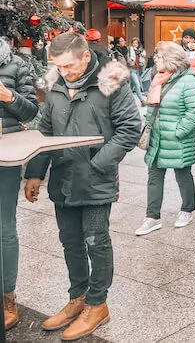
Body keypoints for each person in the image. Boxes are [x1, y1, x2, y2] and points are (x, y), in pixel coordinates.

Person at [24, 32, 141, 340]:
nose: (64, 72)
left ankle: (97, 304)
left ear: (86, 57)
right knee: (71, 242)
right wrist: (35, 173)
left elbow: (130, 128)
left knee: (95, 241)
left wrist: (98, 163)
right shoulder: (55, 84)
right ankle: (77, 297)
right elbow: (45, 129)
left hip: (95, 178)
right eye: (58, 67)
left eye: (69, 66)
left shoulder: (111, 83)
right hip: (63, 177)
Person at [135, 42, 195, 236]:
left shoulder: (188, 81)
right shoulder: (158, 79)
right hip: (157, 136)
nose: (155, 59)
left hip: (177, 138)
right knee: (154, 177)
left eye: (159, 56)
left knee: (183, 175)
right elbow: (152, 109)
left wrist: (178, 132)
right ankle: (152, 217)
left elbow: (194, 111)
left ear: (171, 59)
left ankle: (187, 210)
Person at [0, 37, 39, 331]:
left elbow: (30, 111)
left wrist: (8, 97)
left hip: (5, 156)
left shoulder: (15, 65)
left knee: (4, 226)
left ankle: (7, 297)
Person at [128, 38, 146, 106]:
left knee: (131, 87)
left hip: (137, 70)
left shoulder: (140, 51)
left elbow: (142, 61)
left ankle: (127, 101)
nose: (135, 44)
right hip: (132, 69)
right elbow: (130, 59)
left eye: (136, 43)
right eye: (133, 43)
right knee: (137, 85)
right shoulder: (130, 50)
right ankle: (142, 100)